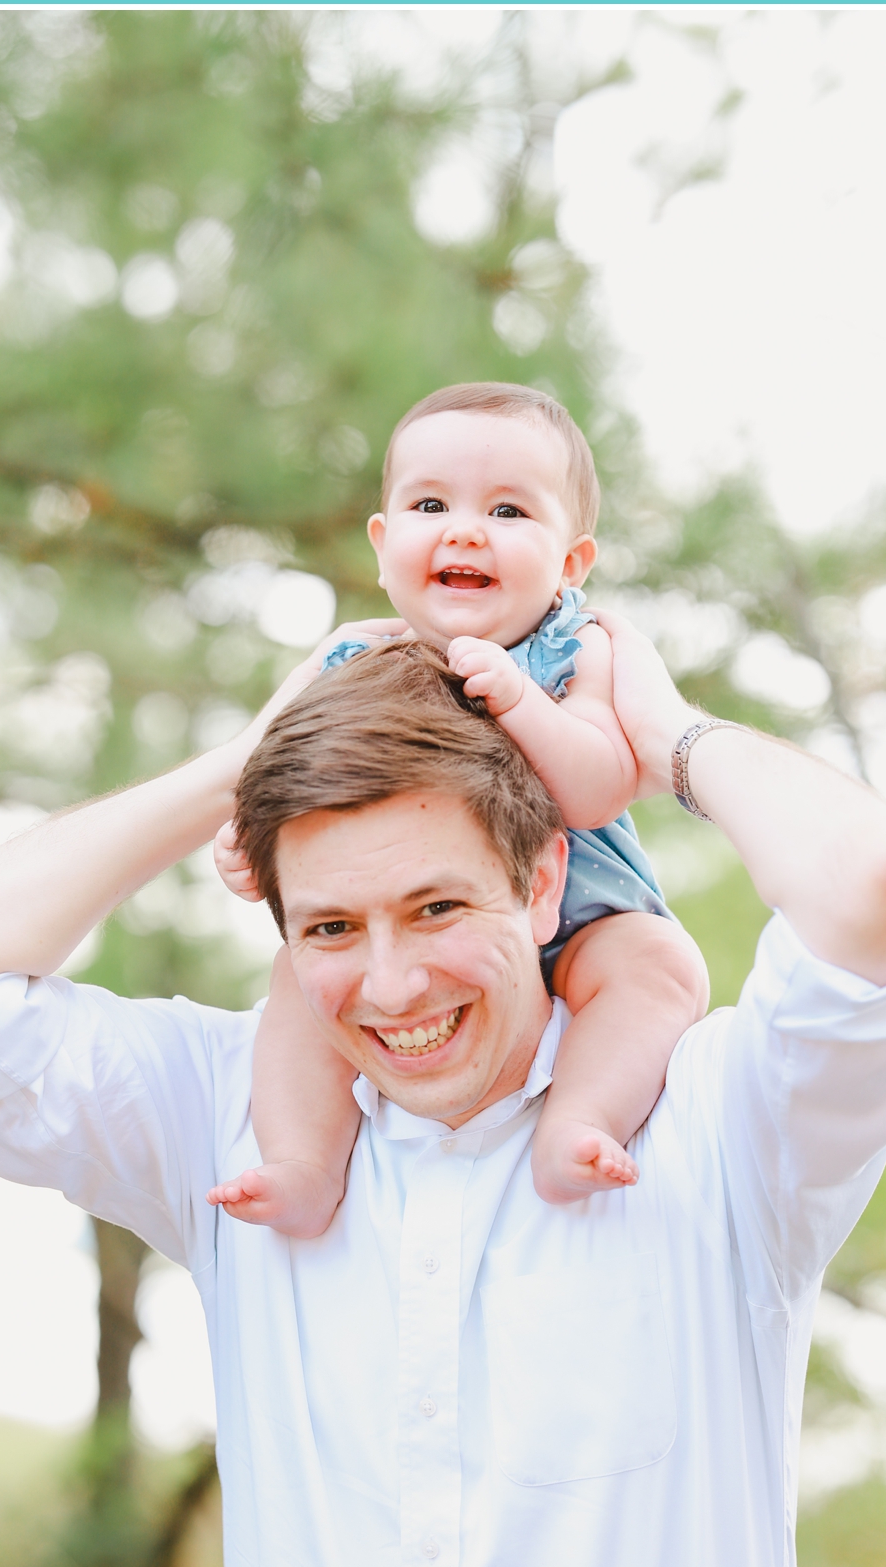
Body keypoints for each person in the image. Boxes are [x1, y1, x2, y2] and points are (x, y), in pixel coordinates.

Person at [0, 610, 886, 1567]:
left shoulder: (725, 1125)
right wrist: (250, 760)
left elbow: (881, 888)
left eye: (437, 908)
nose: (390, 984)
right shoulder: (231, 1124)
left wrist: (670, 737)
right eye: (330, 926)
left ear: (543, 886)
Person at [209, 382, 709, 1238]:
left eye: (509, 510)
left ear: (571, 562)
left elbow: (596, 788)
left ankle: (579, 1122)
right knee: (298, 984)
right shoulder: (351, 662)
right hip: (405, 920)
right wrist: (242, 845)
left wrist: (522, 699)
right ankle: (301, 1162)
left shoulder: (574, 649)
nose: (465, 529)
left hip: (585, 909)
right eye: (430, 503)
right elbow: (274, 787)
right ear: (383, 541)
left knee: (660, 966)